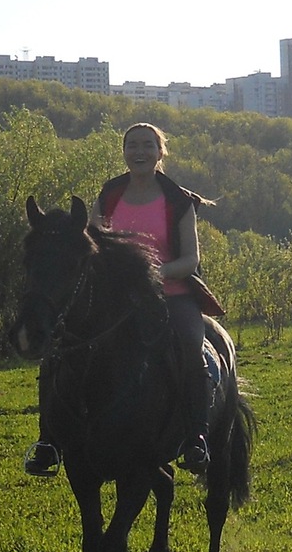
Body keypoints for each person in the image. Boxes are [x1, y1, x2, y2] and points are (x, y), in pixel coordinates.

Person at [25, 122, 220, 477]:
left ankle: (196, 436)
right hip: (115, 299)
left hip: (171, 295)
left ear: (161, 152)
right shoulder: (110, 193)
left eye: (148, 145)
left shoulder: (178, 200)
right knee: (59, 351)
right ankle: (49, 441)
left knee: (192, 348)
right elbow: (94, 247)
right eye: (132, 146)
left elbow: (190, 260)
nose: (140, 152)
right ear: (124, 152)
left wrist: (151, 275)